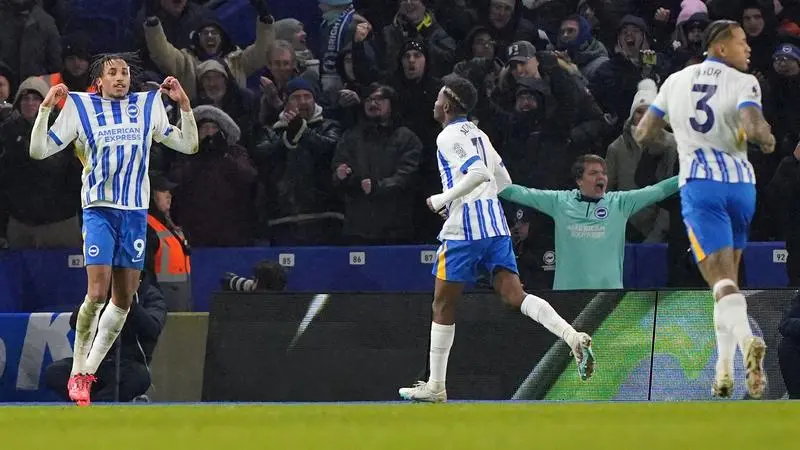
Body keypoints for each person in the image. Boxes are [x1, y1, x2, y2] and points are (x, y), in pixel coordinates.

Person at [397, 75, 594, 403]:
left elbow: (479, 173)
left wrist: (444, 199)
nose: (434, 102)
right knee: (516, 295)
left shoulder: (447, 136)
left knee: (442, 304)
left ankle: (436, 386)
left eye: (439, 97)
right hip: (496, 227)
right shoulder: (480, 134)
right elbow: (502, 181)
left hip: (465, 230)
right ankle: (572, 336)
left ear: (448, 105)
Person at [28, 53, 199, 406]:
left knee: (122, 300)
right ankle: (78, 371)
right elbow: (38, 151)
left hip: (134, 214)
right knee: (96, 292)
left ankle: (86, 374)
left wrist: (184, 105)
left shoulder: (146, 106)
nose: (120, 77)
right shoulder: (81, 108)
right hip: (98, 210)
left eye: (124, 72)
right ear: (99, 81)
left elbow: (189, 144)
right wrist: (45, 109)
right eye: (112, 73)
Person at [633, 20, 775, 400]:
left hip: (701, 188)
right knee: (728, 284)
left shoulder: (675, 81)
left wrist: (680, 135)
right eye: (741, 42)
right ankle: (723, 372)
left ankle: (747, 341)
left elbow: (644, 133)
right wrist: (767, 139)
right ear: (720, 47)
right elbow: (754, 127)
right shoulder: (744, 82)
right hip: (742, 189)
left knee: (721, 283)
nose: (748, 48)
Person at [500, 154, 679, 290]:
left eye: (604, 173)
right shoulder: (560, 202)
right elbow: (522, 193)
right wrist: (489, 182)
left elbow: (658, 190)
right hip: (566, 297)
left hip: (608, 297)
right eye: (593, 173)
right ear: (579, 180)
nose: (601, 177)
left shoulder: (620, 203)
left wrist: (689, 174)